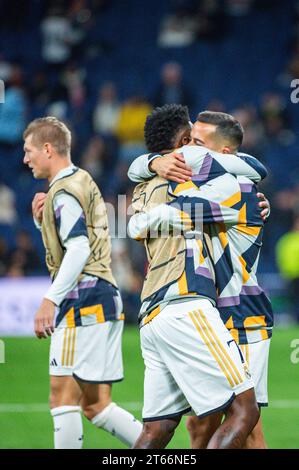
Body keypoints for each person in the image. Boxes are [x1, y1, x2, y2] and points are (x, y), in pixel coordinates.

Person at [126, 106, 272, 449]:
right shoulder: (193, 182)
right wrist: (151, 162)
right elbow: (144, 175)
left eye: (196, 142)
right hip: (202, 312)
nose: (186, 149)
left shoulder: (232, 185)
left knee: (247, 425)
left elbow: (167, 214)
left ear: (221, 153)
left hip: (240, 315)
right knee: (197, 426)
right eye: (186, 140)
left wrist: (136, 218)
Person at [24, 116, 142, 449]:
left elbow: (78, 248)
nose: (25, 158)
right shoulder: (81, 180)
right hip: (102, 298)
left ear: (47, 149)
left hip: (83, 302)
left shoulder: (63, 193)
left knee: (61, 399)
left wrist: (50, 299)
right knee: (95, 406)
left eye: (29, 150)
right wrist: (41, 222)